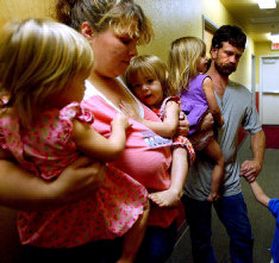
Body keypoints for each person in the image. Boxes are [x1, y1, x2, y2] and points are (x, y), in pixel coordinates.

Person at [0, 18, 149, 263]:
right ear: (52, 81)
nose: (84, 87)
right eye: (81, 81)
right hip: (88, 219)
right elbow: (111, 150)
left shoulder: (7, 121)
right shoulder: (68, 122)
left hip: (41, 228)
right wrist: (118, 125)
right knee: (141, 203)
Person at [56, 0, 190, 262]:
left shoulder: (121, 79)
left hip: (159, 219)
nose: (134, 51)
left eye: (135, 42)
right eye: (126, 40)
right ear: (88, 32)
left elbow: (154, 130)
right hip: (116, 236)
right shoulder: (70, 94)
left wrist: (174, 128)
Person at [182, 25, 266, 263]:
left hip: (229, 178)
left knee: (243, 235)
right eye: (228, 53)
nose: (233, 60)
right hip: (194, 179)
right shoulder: (189, 87)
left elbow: (257, 131)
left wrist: (258, 160)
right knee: (201, 239)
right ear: (214, 50)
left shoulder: (243, 94)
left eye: (237, 56)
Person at [123, 54, 195, 207]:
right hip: (160, 149)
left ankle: (175, 190)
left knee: (180, 147)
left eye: (150, 81)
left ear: (162, 82)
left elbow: (169, 129)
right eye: (137, 85)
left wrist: (140, 121)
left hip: (174, 142)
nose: (144, 88)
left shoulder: (170, 103)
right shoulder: (142, 106)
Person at [169, 37, 225, 202]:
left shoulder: (174, 82)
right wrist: (219, 119)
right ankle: (214, 193)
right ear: (191, 59)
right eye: (201, 55)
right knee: (220, 160)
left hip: (188, 136)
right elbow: (214, 108)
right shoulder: (204, 80)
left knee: (182, 164)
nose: (206, 58)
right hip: (204, 138)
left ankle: (178, 188)